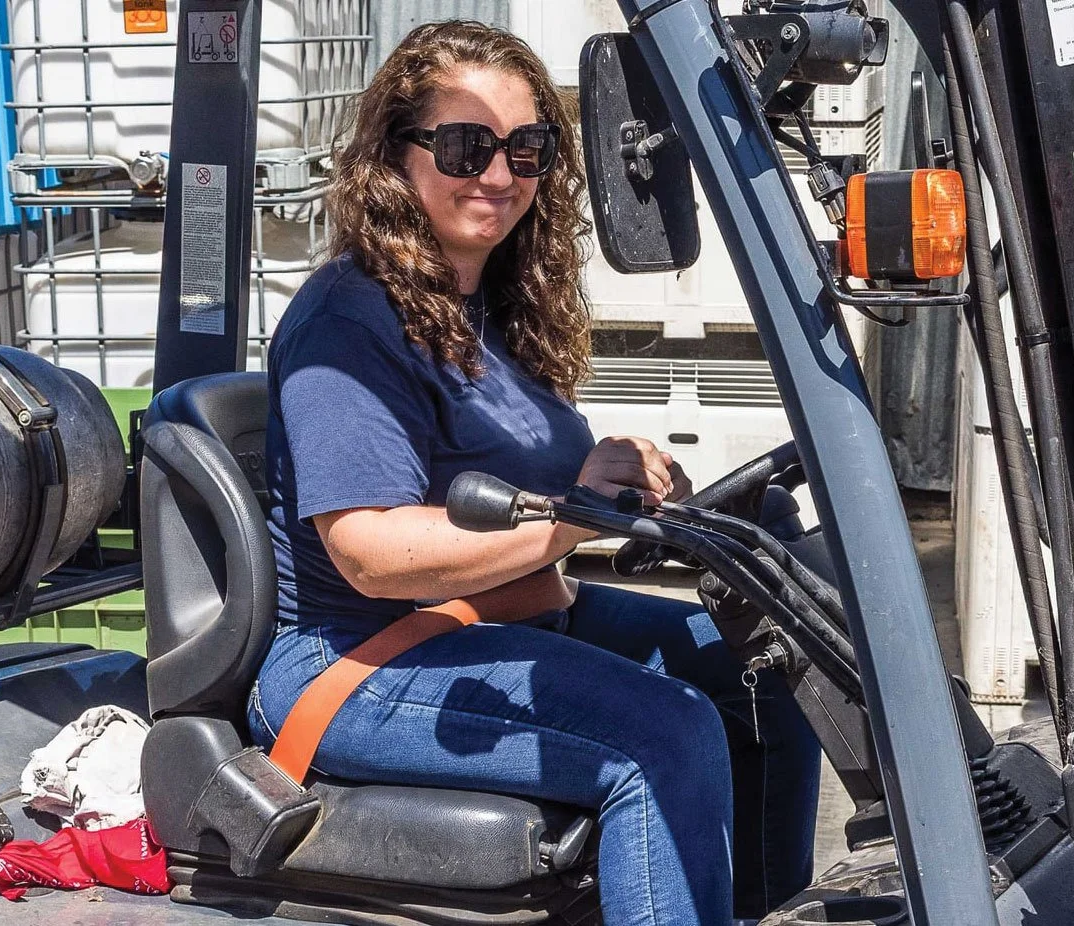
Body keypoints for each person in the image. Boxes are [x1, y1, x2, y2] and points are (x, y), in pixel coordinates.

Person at [246, 20, 821, 926]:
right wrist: (577, 512)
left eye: (528, 148)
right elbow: (371, 553)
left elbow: (544, 490)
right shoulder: (350, 321)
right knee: (662, 732)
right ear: (395, 155)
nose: (500, 175)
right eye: (467, 146)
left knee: (775, 671)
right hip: (361, 658)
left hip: (504, 615)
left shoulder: (487, 310)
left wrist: (619, 479)